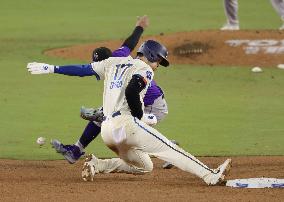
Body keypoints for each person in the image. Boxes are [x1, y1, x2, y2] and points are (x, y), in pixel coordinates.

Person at [27, 16, 176, 168]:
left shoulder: (113, 64)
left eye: (96, 64)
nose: (95, 68)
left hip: (154, 104)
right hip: (135, 100)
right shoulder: (118, 56)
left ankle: (170, 149)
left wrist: (52, 69)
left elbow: (85, 72)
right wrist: (139, 27)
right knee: (108, 119)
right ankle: (76, 150)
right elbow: (130, 43)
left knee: (126, 136)